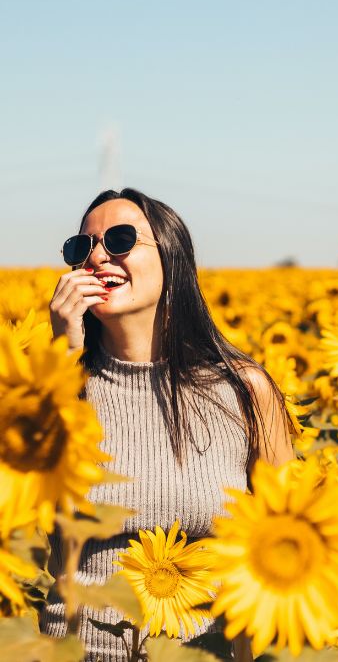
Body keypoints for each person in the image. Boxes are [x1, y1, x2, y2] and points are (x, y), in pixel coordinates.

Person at [43, 189, 293, 659]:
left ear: (172, 256)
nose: (97, 256)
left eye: (119, 240)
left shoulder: (244, 390)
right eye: (82, 247)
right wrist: (62, 361)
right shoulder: (54, 389)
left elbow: (286, 537)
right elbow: (21, 518)